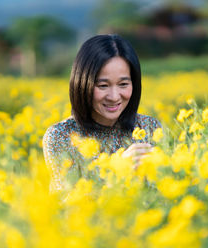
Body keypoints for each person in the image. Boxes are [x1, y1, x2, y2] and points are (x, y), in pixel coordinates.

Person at [43, 34, 162, 191]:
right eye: (103, 86)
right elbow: (64, 208)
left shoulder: (150, 128)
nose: (114, 96)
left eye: (123, 84)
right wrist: (118, 171)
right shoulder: (61, 137)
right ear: (82, 84)